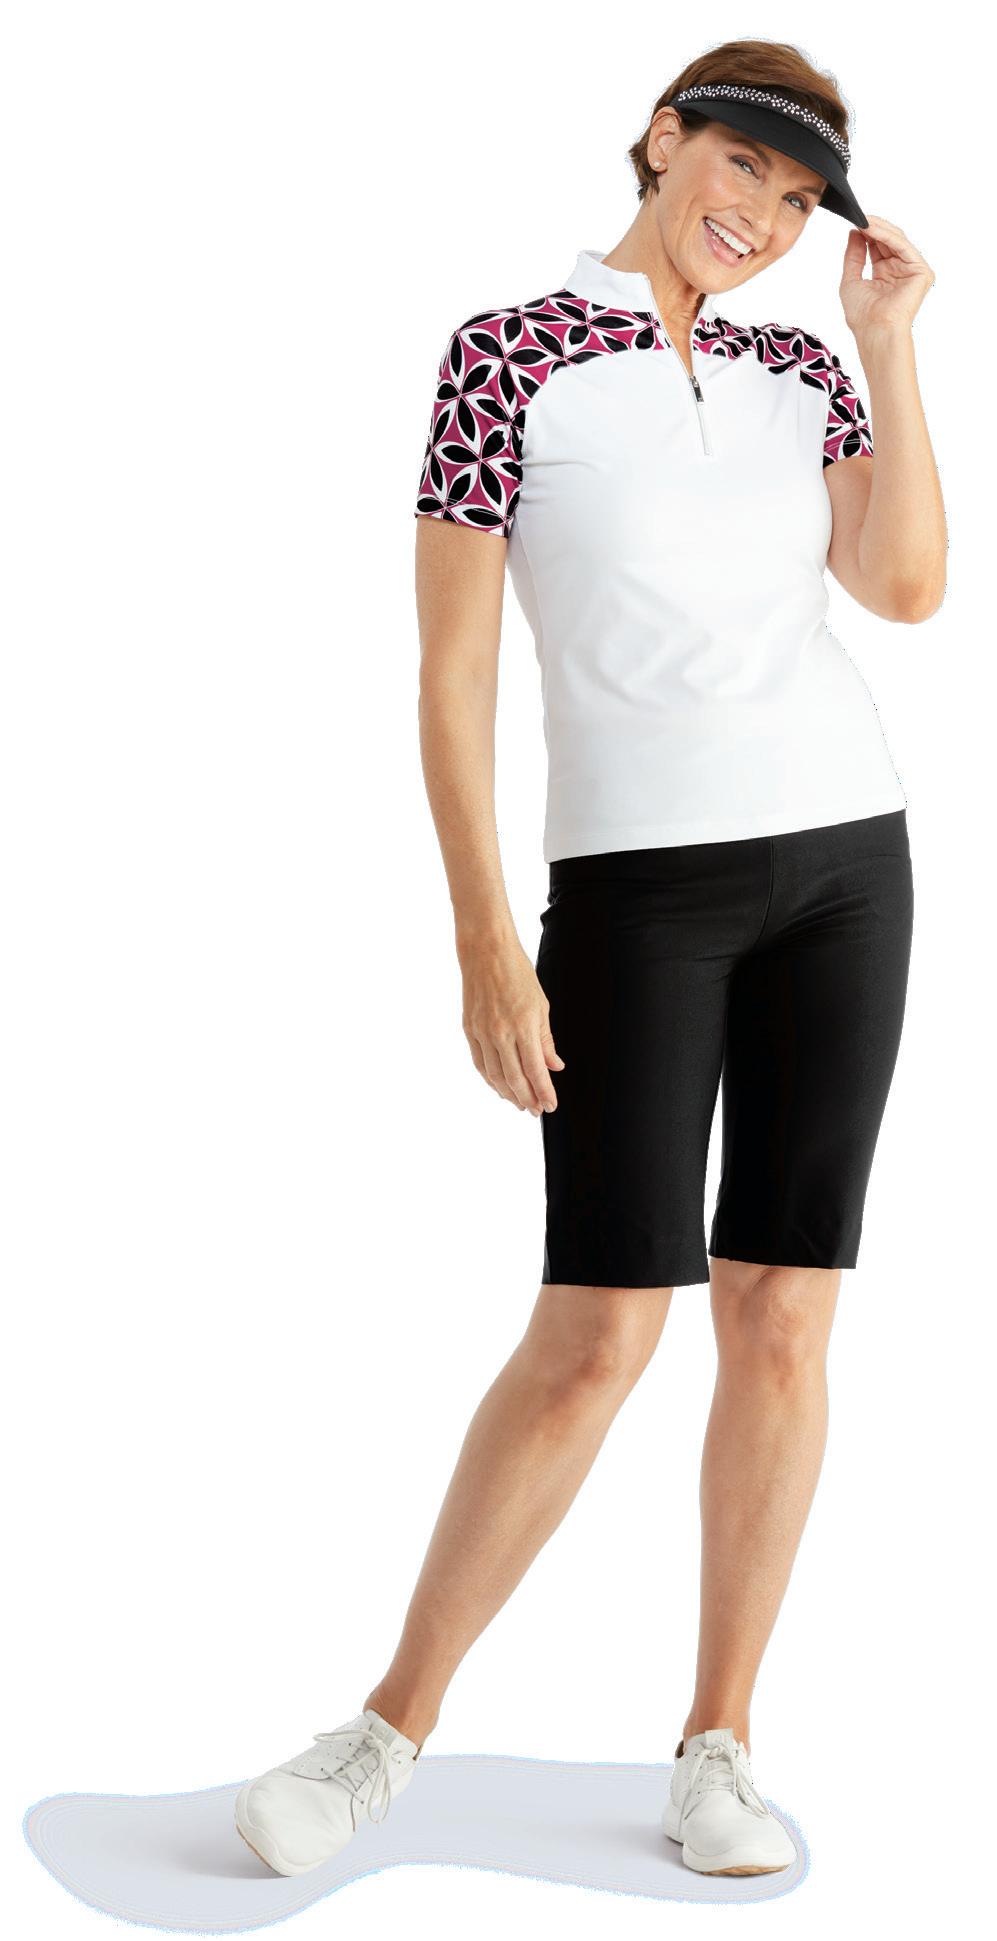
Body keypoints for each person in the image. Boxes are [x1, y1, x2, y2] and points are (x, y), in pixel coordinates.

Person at [235, 41, 945, 1880]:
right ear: (661, 136)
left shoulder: (804, 369)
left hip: (844, 866)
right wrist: (485, 930)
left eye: (798, 198)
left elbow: (905, 586)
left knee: (782, 1313)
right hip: (633, 891)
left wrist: (887, 345)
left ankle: (718, 1743)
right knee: (597, 1330)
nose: (761, 216)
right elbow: (450, 673)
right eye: (741, 166)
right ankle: (386, 1728)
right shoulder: (507, 355)